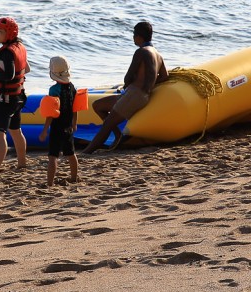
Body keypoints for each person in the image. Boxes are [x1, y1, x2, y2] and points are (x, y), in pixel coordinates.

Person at [81, 21, 168, 155]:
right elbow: (164, 76)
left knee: (107, 125)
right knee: (98, 105)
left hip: (134, 94)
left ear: (139, 36)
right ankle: (118, 135)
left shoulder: (141, 52)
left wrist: (132, 83)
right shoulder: (158, 55)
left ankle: (86, 152)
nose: (133, 37)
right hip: (139, 95)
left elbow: (127, 78)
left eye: (134, 34)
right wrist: (148, 82)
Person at [0, 17, 30, 174]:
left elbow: (9, 75)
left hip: (6, 100)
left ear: (10, 33)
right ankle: (22, 163)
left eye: (0, 32)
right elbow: (27, 69)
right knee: (15, 130)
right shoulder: (19, 47)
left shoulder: (6, 53)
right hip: (18, 96)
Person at [39, 56, 78, 187]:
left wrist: (45, 130)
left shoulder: (54, 90)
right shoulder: (72, 87)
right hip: (68, 126)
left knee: (53, 156)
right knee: (71, 154)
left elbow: (50, 114)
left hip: (57, 127)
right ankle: (74, 177)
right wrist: (74, 123)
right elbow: (75, 108)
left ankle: (49, 183)